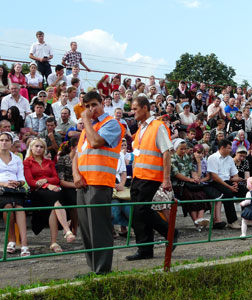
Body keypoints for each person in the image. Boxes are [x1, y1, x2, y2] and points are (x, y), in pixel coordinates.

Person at [72, 91, 124, 274]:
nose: (90, 110)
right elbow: (77, 155)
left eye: (94, 105)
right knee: (86, 229)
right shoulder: (89, 127)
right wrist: (75, 175)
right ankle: (93, 268)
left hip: (100, 183)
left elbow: (95, 142)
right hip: (84, 184)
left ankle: (102, 271)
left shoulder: (111, 124)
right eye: (86, 107)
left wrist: (85, 120)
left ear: (102, 103)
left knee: (99, 229)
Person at [126, 96, 175, 261]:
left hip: (151, 176)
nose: (132, 112)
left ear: (145, 108)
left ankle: (170, 232)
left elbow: (166, 152)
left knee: (141, 209)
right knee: (138, 212)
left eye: (135, 109)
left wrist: (166, 179)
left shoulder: (158, 126)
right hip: (139, 176)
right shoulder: (141, 129)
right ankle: (145, 250)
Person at [23, 138, 76, 253]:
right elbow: (31, 182)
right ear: (31, 148)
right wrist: (47, 185)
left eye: (41, 147)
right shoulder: (27, 162)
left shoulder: (49, 162)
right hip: (37, 193)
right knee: (55, 198)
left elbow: (56, 179)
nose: (39, 149)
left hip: (52, 192)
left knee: (54, 205)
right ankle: (67, 231)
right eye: (36, 146)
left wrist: (46, 180)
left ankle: (54, 242)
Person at [0, 132, 29, 256]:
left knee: (19, 208)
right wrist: (3, 184)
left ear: (11, 143)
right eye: (1, 140)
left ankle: (24, 243)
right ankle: (11, 240)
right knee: (8, 206)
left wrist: (17, 182)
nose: (4, 142)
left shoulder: (17, 158)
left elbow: (22, 178)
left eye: (7, 140)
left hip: (15, 189)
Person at [207, 139, 241, 229]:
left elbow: (234, 173)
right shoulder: (212, 158)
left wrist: (235, 182)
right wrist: (229, 187)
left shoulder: (229, 158)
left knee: (245, 191)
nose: (231, 150)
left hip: (228, 181)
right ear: (222, 148)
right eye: (229, 148)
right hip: (216, 182)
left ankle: (249, 218)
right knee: (228, 193)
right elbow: (214, 177)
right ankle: (232, 221)